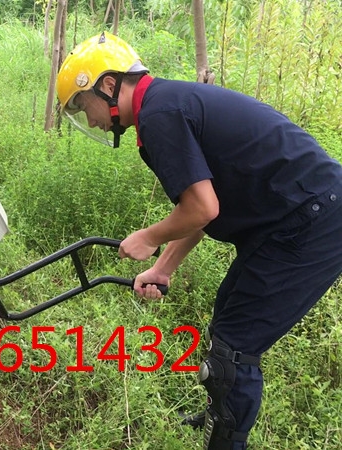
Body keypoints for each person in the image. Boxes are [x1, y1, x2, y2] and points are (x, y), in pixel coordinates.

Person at [56, 32, 342, 449]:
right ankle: (219, 416)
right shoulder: (165, 104)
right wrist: (162, 268)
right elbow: (203, 205)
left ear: (109, 85)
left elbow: (202, 209)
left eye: (85, 107)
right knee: (227, 320)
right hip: (293, 215)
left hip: (312, 219)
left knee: (235, 350)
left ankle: (225, 439)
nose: (91, 120)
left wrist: (148, 237)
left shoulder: (159, 116)